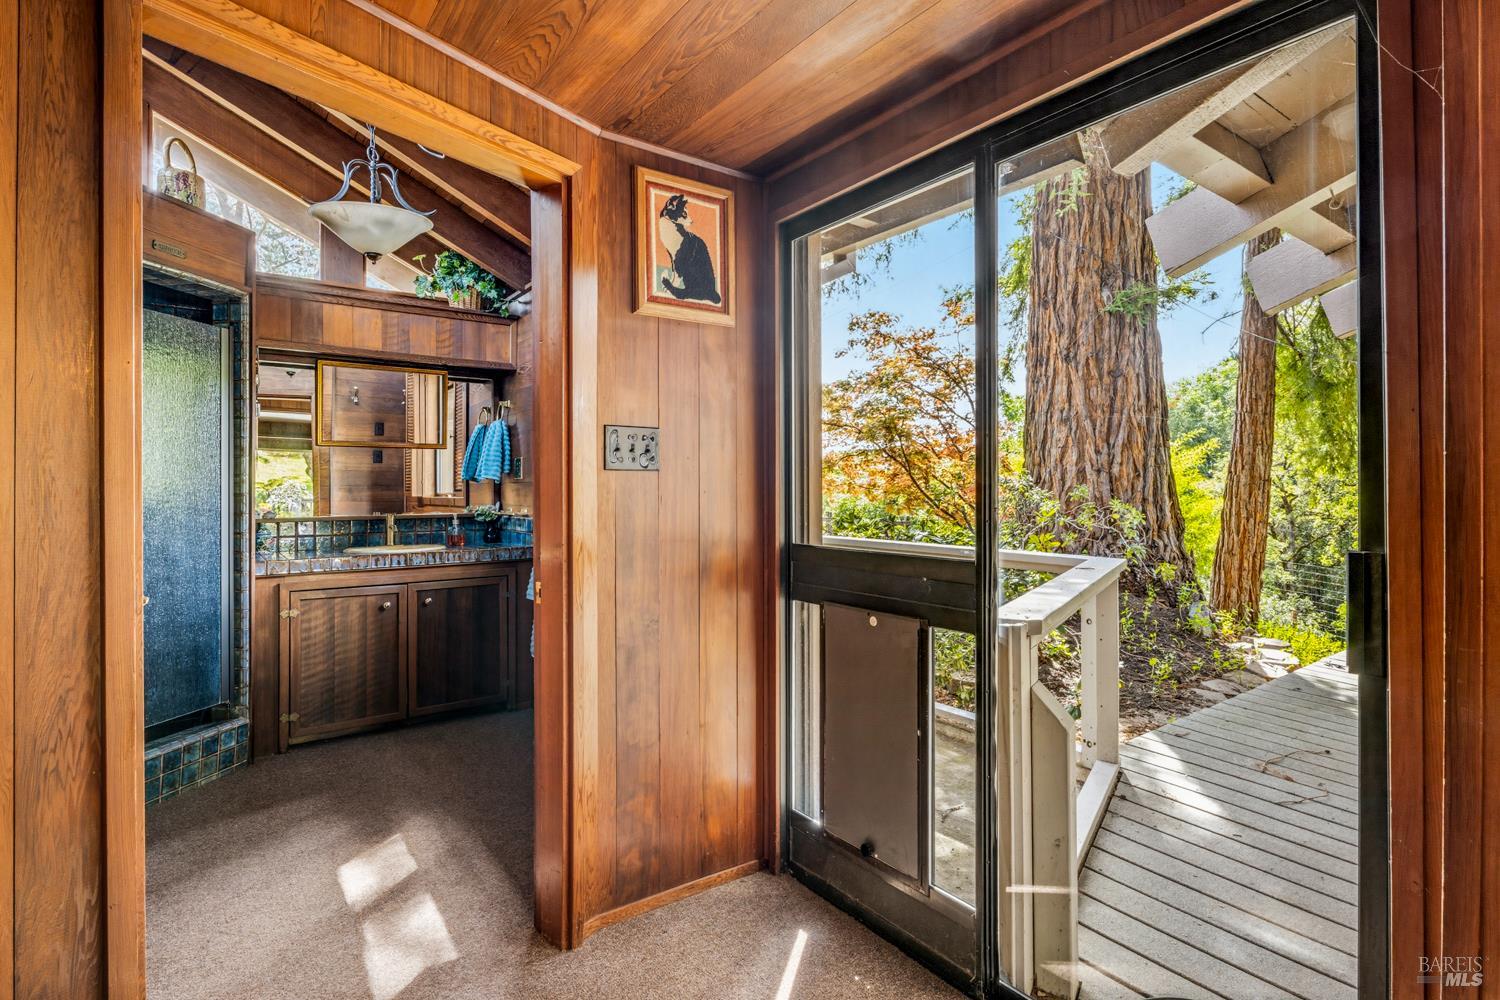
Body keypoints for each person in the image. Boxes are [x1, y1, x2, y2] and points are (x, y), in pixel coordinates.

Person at [656, 193, 721, 304]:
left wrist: (673, 284)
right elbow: (675, 257)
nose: (690, 220)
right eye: (684, 215)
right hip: (694, 285)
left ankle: (674, 285)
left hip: (700, 288)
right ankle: (674, 286)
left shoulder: (682, 236)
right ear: (671, 208)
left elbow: (680, 262)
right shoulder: (668, 227)